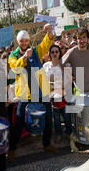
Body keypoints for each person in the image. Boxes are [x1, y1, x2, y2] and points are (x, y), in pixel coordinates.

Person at [8, 24, 57, 154]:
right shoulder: (12, 55)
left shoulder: (35, 51)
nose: (24, 43)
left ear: (29, 41)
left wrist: (49, 32)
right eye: (21, 41)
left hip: (42, 90)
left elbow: (46, 44)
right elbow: (14, 69)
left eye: (26, 40)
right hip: (25, 93)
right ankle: (12, 149)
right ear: (17, 42)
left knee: (48, 119)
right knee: (19, 121)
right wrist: (24, 57)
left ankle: (46, 144)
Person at [43, 44, 71, 145]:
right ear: (50, 54)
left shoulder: (65, 65)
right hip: (52, 97)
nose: (54, 54)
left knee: (67, 117)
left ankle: (69, 134)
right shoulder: (46, 66)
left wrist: (54, 84)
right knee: (56, 119)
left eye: (56, 51)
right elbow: (44, 83)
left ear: (59, 53)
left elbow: (68, 82)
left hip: (64, 96)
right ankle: (59, 135)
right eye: (52, 52)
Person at [61, 27, 89, 93]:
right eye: (79, 38)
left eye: (84, 37)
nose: (82, 40)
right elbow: (60, 63)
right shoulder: (72, 52)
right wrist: (69, 75)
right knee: (79, 103)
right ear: (76, 40)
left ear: (87, 38)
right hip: (78, 89)